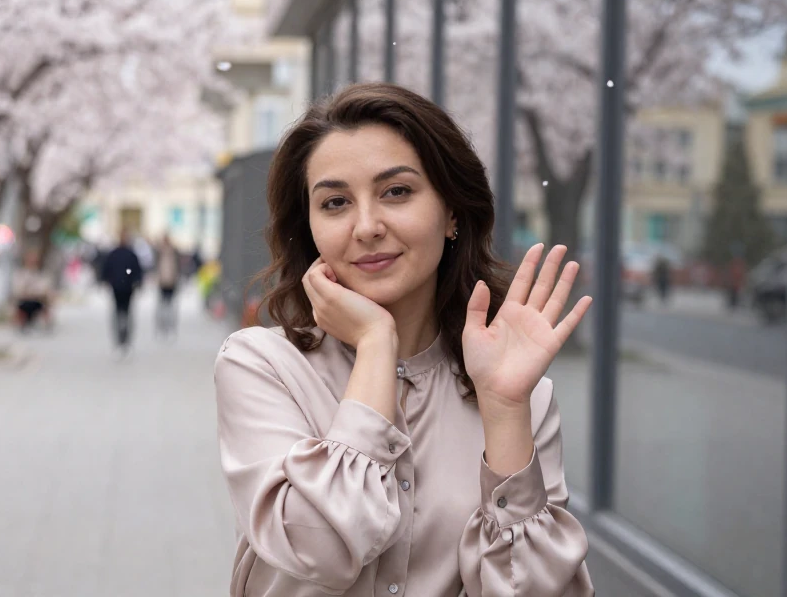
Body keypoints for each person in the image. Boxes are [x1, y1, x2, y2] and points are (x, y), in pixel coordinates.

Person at [213, 83, 594, 596]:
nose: (367, 226)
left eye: (397, 192)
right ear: (309, 229)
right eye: (335, 202)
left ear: (452, 212)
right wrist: (375, 342)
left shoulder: (519, 392)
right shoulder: (261, 366)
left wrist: (504, 409)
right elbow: (320, 548)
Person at [101, 232, 143, 352]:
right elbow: (107, 269)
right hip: (119, 287)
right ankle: (121, 338)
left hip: (125, 288)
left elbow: (137, 271)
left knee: (124, 313)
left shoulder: (126, 254)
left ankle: (124, 338)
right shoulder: (122, 254)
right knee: (121, 313)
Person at [12, 250, 54, 332]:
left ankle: (47, 325)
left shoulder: (41, 274)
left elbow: (45, 289)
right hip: (24, 301)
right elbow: (18, 289)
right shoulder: (20, 273)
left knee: (45, 304)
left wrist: (33, 291)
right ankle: (21, 324)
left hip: (38, 300)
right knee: (19, 305)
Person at [154, 234, 181, 338]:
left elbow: (177, 267)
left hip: (172, 282)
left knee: (170, 305)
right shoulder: (159, 252)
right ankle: (162, 326)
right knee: (162, 305)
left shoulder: (174, 252)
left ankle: (170, 326)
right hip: (162, 282)